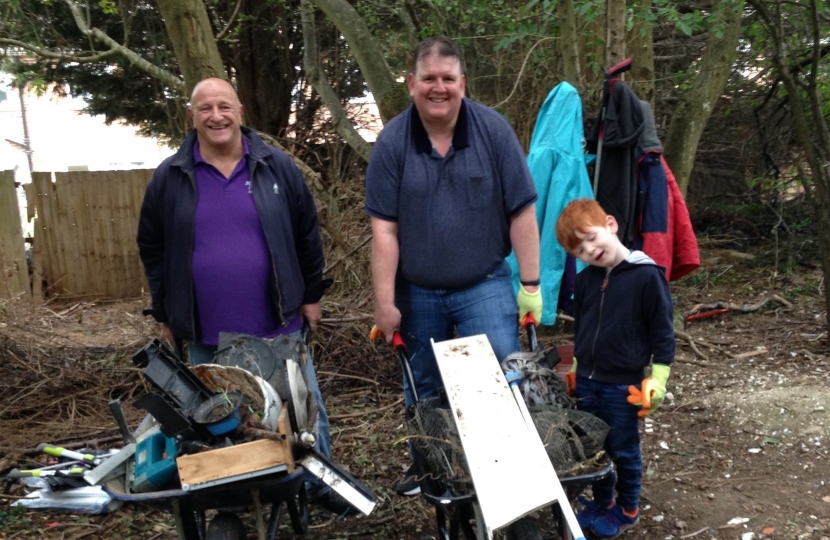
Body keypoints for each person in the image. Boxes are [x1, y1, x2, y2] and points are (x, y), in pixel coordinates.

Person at [136, 78, 344, 513]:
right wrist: (164, 306)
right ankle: (230, 497)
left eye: (224, 106)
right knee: (216, 419)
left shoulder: (275, 166)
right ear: (191, 115)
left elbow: (307, 232)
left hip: (278, 322)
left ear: (240, 111)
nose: (216, 116)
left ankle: (317, 487)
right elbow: (151, 246)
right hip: (204, 331)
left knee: (304, 413)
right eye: (206, 108)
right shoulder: (171, 176)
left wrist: (310, 294)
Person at [365, 37, 543, 496]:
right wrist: (384, 304)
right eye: (429, 79)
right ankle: (430, 467)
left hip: (483, 284)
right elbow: (384, 230)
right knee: (424, 385)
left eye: (448, 79)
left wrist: (531, 283)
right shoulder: (391, 143)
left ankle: (507, 471)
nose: (438, 88)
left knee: (503, 373)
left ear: (463, 83)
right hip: (417, 291)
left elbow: (521, 212)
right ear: (411, 84)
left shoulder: (493, 131)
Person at [555, 199, 675, 538]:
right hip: (589, 383)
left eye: (591, 238)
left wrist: (659, 379)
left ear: (610, 224)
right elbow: (583, 328)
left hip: (624, 386)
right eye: (579, 249)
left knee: (623, 448)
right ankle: (603, 503)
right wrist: (577, 368)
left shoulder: (646, 276)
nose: (590, 250)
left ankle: (627, 508)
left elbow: (663, 334)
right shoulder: (587, 280)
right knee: (594, 448)